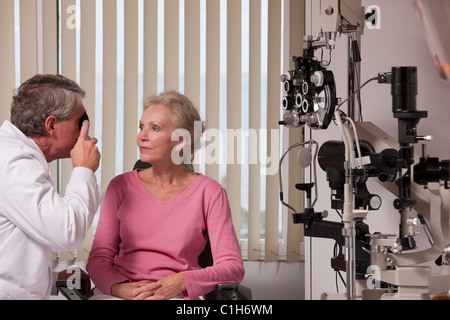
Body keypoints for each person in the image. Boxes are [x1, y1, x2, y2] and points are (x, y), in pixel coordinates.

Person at [86, 91, 245, 300]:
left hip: (175, 296)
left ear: (181, 140)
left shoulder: (211, 193)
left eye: (155, 128)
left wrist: (182, 281)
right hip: (120, 295)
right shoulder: (120, 187)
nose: (142, 136)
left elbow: (232, 267)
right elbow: (98, 259)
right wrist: (119, 288)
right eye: (141, 127)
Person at [0, 74, 103, 300]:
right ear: (52, 125)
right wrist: (83, 169)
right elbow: (68, 232)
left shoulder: (17, 155)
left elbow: (14, 243)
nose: (86, 129)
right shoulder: (14, 161)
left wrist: (54, 280)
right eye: (81, 121)